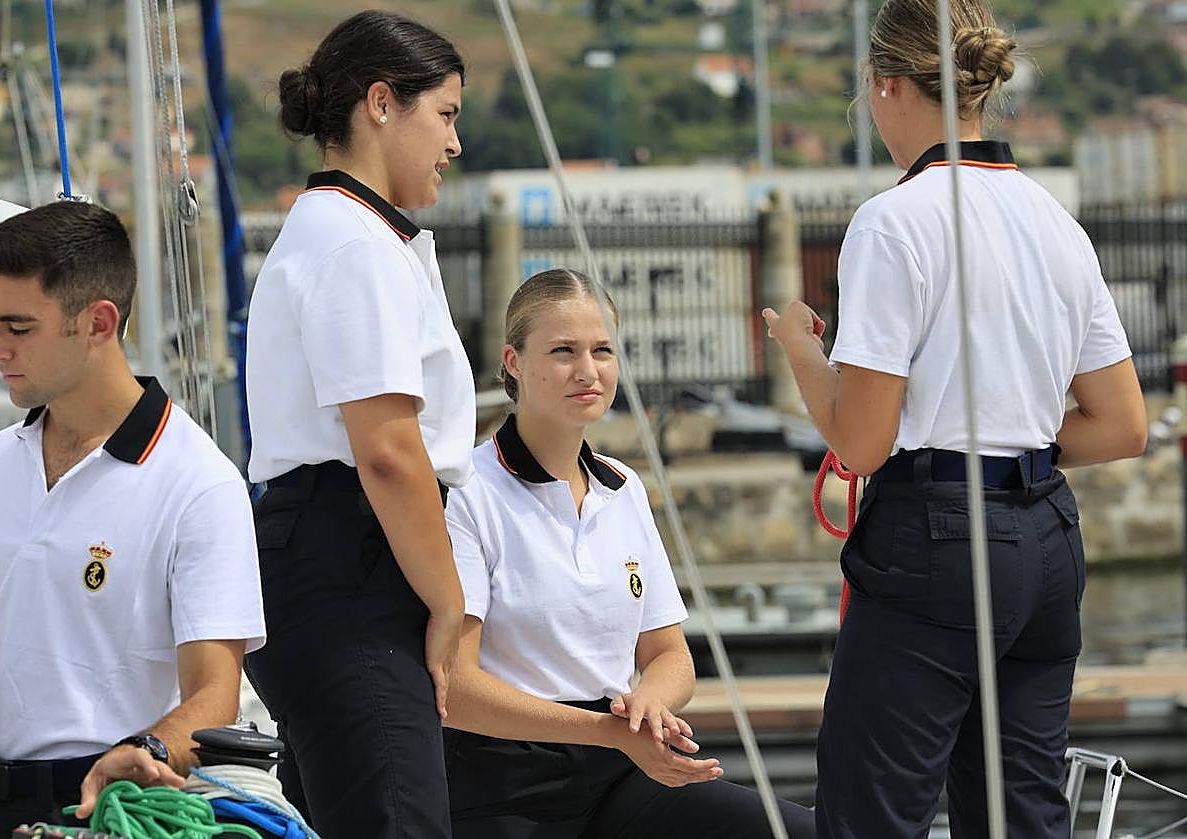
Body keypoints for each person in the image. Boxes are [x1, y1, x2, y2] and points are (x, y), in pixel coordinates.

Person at [762, 1, 1147, 836]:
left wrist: (800, 349)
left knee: (872, 816)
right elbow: (1123, 425)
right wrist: (1012, 444)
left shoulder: (893, 222)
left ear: (885, 83)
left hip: (934, 541)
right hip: (1048, 542)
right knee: (1021, 813)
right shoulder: (1056, 222)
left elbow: (861, 442)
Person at [442, 268, 817, 839]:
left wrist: (646, 706)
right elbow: (456, 687)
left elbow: (670, 655)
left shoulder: (623, 488)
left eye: (602, 350)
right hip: (503, 784)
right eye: (563, 351)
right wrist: (608, 732)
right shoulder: (468, 492)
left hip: (621, 769)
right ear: (513, 362)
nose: (587, 370)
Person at [242, 10, 474, 837]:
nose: (454, 143)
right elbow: (387, 451)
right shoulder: (355, 245)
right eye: (444, 114)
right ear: (381, 103)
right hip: (353, 565)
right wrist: (449, 602)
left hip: (331, 559)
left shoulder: (342, 235)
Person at [0, 201, 265, 835]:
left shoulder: (199, 485)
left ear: (98, 323)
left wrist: (150, 749)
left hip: (97, 807)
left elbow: (215, 696)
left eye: (17, 327)